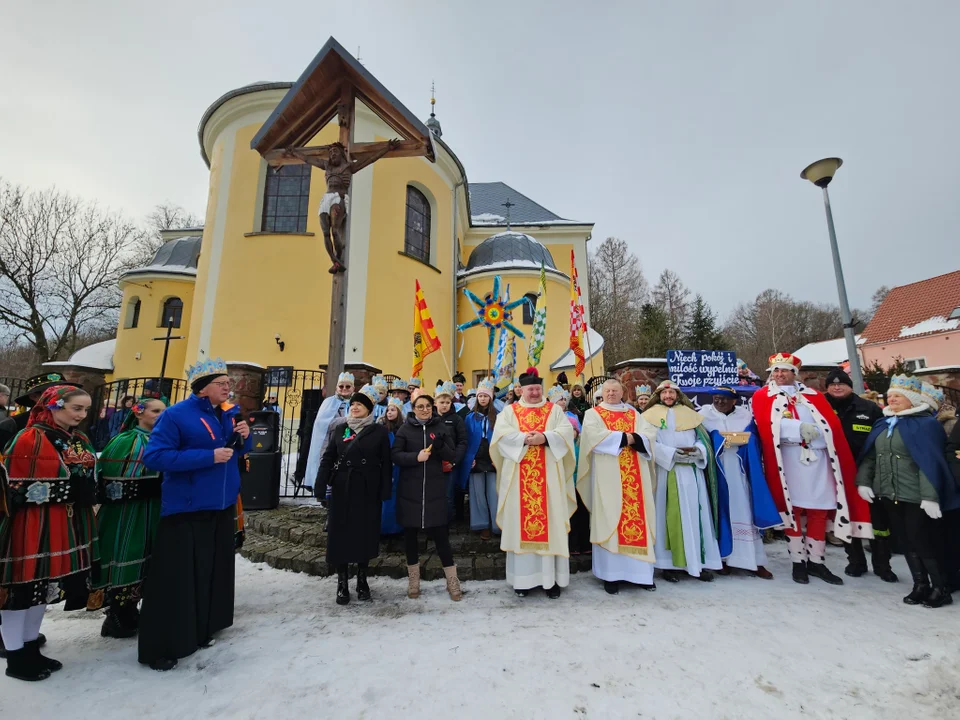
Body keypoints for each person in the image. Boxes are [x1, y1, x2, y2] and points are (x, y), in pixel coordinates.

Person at [138, 359, 251, 671]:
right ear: (203, 388)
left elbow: (236, 452)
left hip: (220, 505)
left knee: (208, 573)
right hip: (187, 508)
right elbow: (156, 456)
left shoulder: (226, 413)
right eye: (221, 383)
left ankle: (202, 628)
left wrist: (244, 436)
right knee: (178, 579)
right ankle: (164, 643)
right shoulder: (176, 415)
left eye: (229, 382)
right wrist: (208, 456)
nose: (228, 387)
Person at [0, 385, 98, 681]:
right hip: (31, 524)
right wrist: (69, 490)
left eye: (85, 409)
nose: (81, 414)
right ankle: (15, 657)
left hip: (64, 522)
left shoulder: (78, 438)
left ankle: (30, 647)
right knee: (21, 589)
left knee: (41, 588)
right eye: (76, 408)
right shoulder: (30, 438)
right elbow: (14, 489)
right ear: (54, 406)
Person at [751, 353, 872, 586]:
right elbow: (765, 424)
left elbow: (831, 425)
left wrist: (817, 434)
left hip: (818, 457)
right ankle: (798, 561)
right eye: (776, 371)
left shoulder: (813, 395)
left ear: (794, 373)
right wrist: (798, 428)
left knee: (819, 509)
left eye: (784, 370)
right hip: (787, 459)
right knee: (793, 509)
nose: (779, 375)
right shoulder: (762, 396)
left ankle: (816, 560)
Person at [857, 376, 959, 607]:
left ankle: (940, 587)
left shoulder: (926, 425)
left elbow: (929, 463)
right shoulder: (883, 423)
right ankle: (920, 584)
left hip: (916, 496)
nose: (891, 400)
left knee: (922, 541)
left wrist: (930, 497)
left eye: (897, 396)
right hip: (890, 493)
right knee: (906, 542)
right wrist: (864, 482)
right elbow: (871, 456)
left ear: (911, 400)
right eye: (889, 396)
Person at [490, 368, 576, 598]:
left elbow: (566, 432)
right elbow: (500, 436)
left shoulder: (553, 411)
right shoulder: (509, 412)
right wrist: (524, 439)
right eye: (531, 389)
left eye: (538, 388)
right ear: (522, 390)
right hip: (519, 478)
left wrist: (546, 438)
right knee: (520, 524)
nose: (535, 392)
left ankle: (552, 580)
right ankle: (523, 580)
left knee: (552, 522)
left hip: (549, 479)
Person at [88, 395, 166, 639]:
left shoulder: (164, 439)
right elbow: (110, 482)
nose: (160, 415)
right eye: (155, 411)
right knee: (126, 553)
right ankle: (118, 613)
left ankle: (131, 610)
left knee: (147, 556)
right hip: (128, 513)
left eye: (164, 411)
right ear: (139, 413)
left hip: (154, 510)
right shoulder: (127, 440)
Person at [578, 379, 658, 594]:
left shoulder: (633, 414)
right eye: (607, 391)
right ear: (601, 393)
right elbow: (592, 437)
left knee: (637, 517)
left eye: (615, 390)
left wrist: (636, 438)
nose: (611, 394)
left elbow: (649, 434)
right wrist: (627, 437)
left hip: (635, 477)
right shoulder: (593, 414)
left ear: (622, 392)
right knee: (609, 517)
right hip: (607, 476)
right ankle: (610, 575)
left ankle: (641, 574)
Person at [641, 380, 723, 583]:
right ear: (658, 395)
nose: (668, 396)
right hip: (666, 472)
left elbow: (702, 439)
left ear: (678, 395)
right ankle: (668, 565)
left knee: (696, 516)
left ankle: (697, 563)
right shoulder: (648, 417)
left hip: (692, 473)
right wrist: (670, 454)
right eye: (664, 393)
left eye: (671, 392)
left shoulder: (691, 414)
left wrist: (698, 451)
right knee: (666, 516)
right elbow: (649, 441)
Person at [317, 385, 392, 605]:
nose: (355, 407)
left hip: (367, 489)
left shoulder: (378, 431)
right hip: (343, 488)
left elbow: (386, 463)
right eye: (353, 404)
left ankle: (362, 580)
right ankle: (342, 582)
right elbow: (329, 458)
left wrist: (384, 489)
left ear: (369, 409)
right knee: (340, 534)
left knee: (364, 535)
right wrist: (320, 485)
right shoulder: (342, 429)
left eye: (360, 404)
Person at [699, 387, 780, 579]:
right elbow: (704, 438)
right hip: (717, 471)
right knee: (721, 512)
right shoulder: (703, 415)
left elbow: (754, 440)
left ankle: (755, 560)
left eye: (724, 399)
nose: (719, 402)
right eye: (716, 399)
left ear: (734, 401)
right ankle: (724, 559)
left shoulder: (745, 416)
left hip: (741, 470)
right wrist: (720, 439)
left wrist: (736, 440)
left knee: (745, 510)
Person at [822, 369, 892, 581]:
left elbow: (882, 439)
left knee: (878, 521)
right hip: (835, 472)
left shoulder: (868, 408)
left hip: (867, 472)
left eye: (842, 383)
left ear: (850, 386)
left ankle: (883, 565)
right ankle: (856, 561)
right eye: (832, 384)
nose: (837, 387)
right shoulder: (819, 408)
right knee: (845, 518)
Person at [391, 393, 462, 601]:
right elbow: (395, 455)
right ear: (413, 408)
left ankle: (452, 580)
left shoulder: (441, 428)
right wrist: (416, 457)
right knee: (411, 538)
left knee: (441, 537)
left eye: (428, 406)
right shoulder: (405, 429)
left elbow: (452, 456)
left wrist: (441, 447)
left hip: (434, 490)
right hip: (410, 491)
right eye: (420, 406)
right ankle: (414, 579)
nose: (424, 410)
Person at [303, 372, 355, 493]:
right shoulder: (329, 402)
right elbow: (323, 423)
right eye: (341, 386)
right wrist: (346, 419)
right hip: (332, 442)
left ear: (353, 388)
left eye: (348, 386)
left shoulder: (357, 402)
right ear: (336, 387)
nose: (344, 389)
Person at [465, 379, 499, 540]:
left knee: (494, 492)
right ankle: (482, 524)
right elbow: (466, 439)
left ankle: (496, 523)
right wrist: (469, 458)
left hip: (492, 458)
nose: (483, 399)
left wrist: (498, 458)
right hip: (476, 458)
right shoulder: (470, 417)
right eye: (480, 396)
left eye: (486, 396)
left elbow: (502, 439)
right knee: (477, 492)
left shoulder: (498, 417)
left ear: (491, 398)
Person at [435, 381, 468, 522]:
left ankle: (446, 525)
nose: (444, 405)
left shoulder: (457, 419)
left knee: (448, 496)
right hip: (433, 463)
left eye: (447, 402)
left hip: (450, 464)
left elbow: (462, 442)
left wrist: (454, 461)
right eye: (441, 402)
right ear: (435, 402)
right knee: (434, 496)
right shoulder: (430, 419)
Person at [379, 397, 406, 536]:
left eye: (393, 410)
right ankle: (385, 527)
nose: (389, 412)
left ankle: (398, 527)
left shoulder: (403, 429)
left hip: (400, 467)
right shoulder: (382, 428)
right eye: (388, 410)